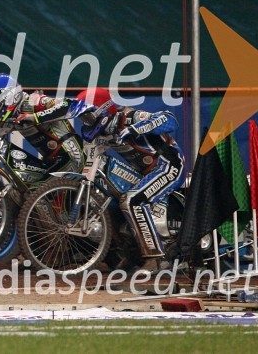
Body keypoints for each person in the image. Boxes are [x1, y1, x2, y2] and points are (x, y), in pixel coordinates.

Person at [74, 87, 185, 262]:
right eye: (83, 118)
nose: (86, 122)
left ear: (103, 111)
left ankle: (154, 259)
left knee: (132, 201)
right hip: (144, 173)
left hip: (169, 166)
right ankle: (131, 257)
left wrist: (136, 129)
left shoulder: (130, 117)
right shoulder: (101, 131)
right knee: (112, 200)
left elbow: (171, 120)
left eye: (88, 116)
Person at [0, 73, 84, 173]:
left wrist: (34, 117)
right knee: (25, 187)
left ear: (10, 95)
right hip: (51, 161)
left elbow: (67, 104)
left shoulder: (33, 101)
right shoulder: (11, 115)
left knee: (39, 188)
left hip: (72, 155)